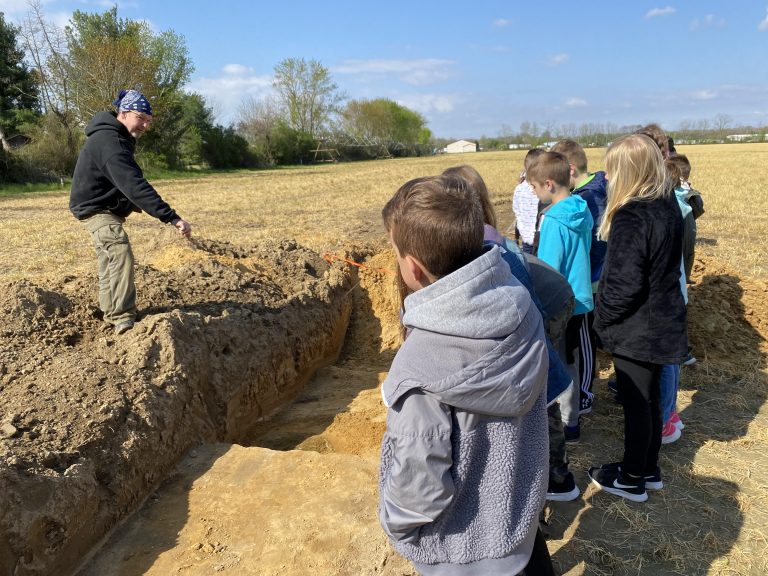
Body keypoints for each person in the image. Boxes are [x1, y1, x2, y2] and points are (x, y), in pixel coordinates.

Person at [378, 174, 554, 575]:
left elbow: (419, 487)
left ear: (413, 268)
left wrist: (397, 526)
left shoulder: (418, 367)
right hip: (518, 524)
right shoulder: (520, 307)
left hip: (462, 553)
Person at [443, 164, 579, 502]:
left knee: (539, 391)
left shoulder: (491, 248)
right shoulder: (485, 236)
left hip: (552, 305)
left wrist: (537, 368)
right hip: (544, 302)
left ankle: (557, 480)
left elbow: (527, 318)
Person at [588, 134, 688, 503]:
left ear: (628, 171)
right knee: (647, 401)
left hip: (637, 327)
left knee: (636, 403)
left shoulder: (632, 214)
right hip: (663, 320)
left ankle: (631, 479)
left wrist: (602, 322)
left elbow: (623, 284)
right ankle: (647, 468)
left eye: (613, 169)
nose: (608, 177)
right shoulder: (666, 205)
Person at [69, 89, 192, 335]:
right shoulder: (110, 142)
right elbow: (134, 184)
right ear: (124, 113)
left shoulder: (115, 137)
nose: (145, 125)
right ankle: (123, 318)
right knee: (120, 252)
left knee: (109, 259)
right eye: (141, 118)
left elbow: (117, 181)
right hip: (96, 209)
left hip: (100, 207)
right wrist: (171, 216)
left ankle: (110, 311)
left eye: (149, 120)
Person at [528, 151, 593, 442]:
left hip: (559, 304)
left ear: (549, 184)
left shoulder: (553, 221)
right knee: (572, 361)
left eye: (536, 187)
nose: (534, 192)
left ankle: (567, 424)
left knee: (558, 363)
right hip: (582, 298)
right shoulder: (583, 208)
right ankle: (574, 418)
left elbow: (548, 269)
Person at [551, 139, 608, 415]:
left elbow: (597, 244)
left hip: (590, 280)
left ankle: (584, 392)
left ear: (570, 169)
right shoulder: (592, 190)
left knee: (584, 338)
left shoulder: (588, 198)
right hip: (588, 278)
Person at [512, 148, 545, 253]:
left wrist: (522, 227)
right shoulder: (544, 190)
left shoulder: (519, 188)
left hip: (526, 240)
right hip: (542, 241)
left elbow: (516, 210)